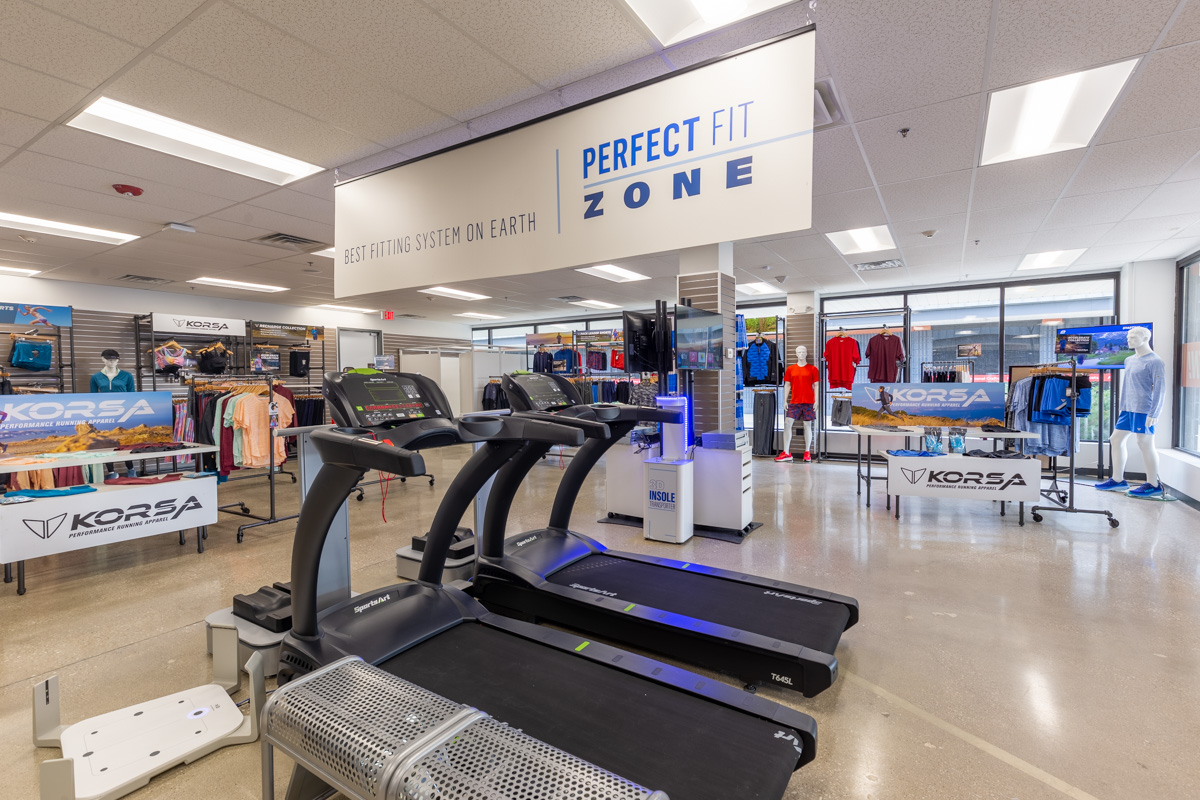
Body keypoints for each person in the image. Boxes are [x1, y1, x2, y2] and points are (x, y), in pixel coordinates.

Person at [1094, 326, 1166, 498]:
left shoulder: (1155, 361)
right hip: (1127, 408)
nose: (1129, 340)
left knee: (1145, 443)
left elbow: (1160, 389)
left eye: (1133, 337)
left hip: (1143, 408)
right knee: (1115, 439)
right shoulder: (1129, 360)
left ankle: (1153, 484)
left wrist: (1154, 413)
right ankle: (1118, 480)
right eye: (1128, 337)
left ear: (1145, 338)